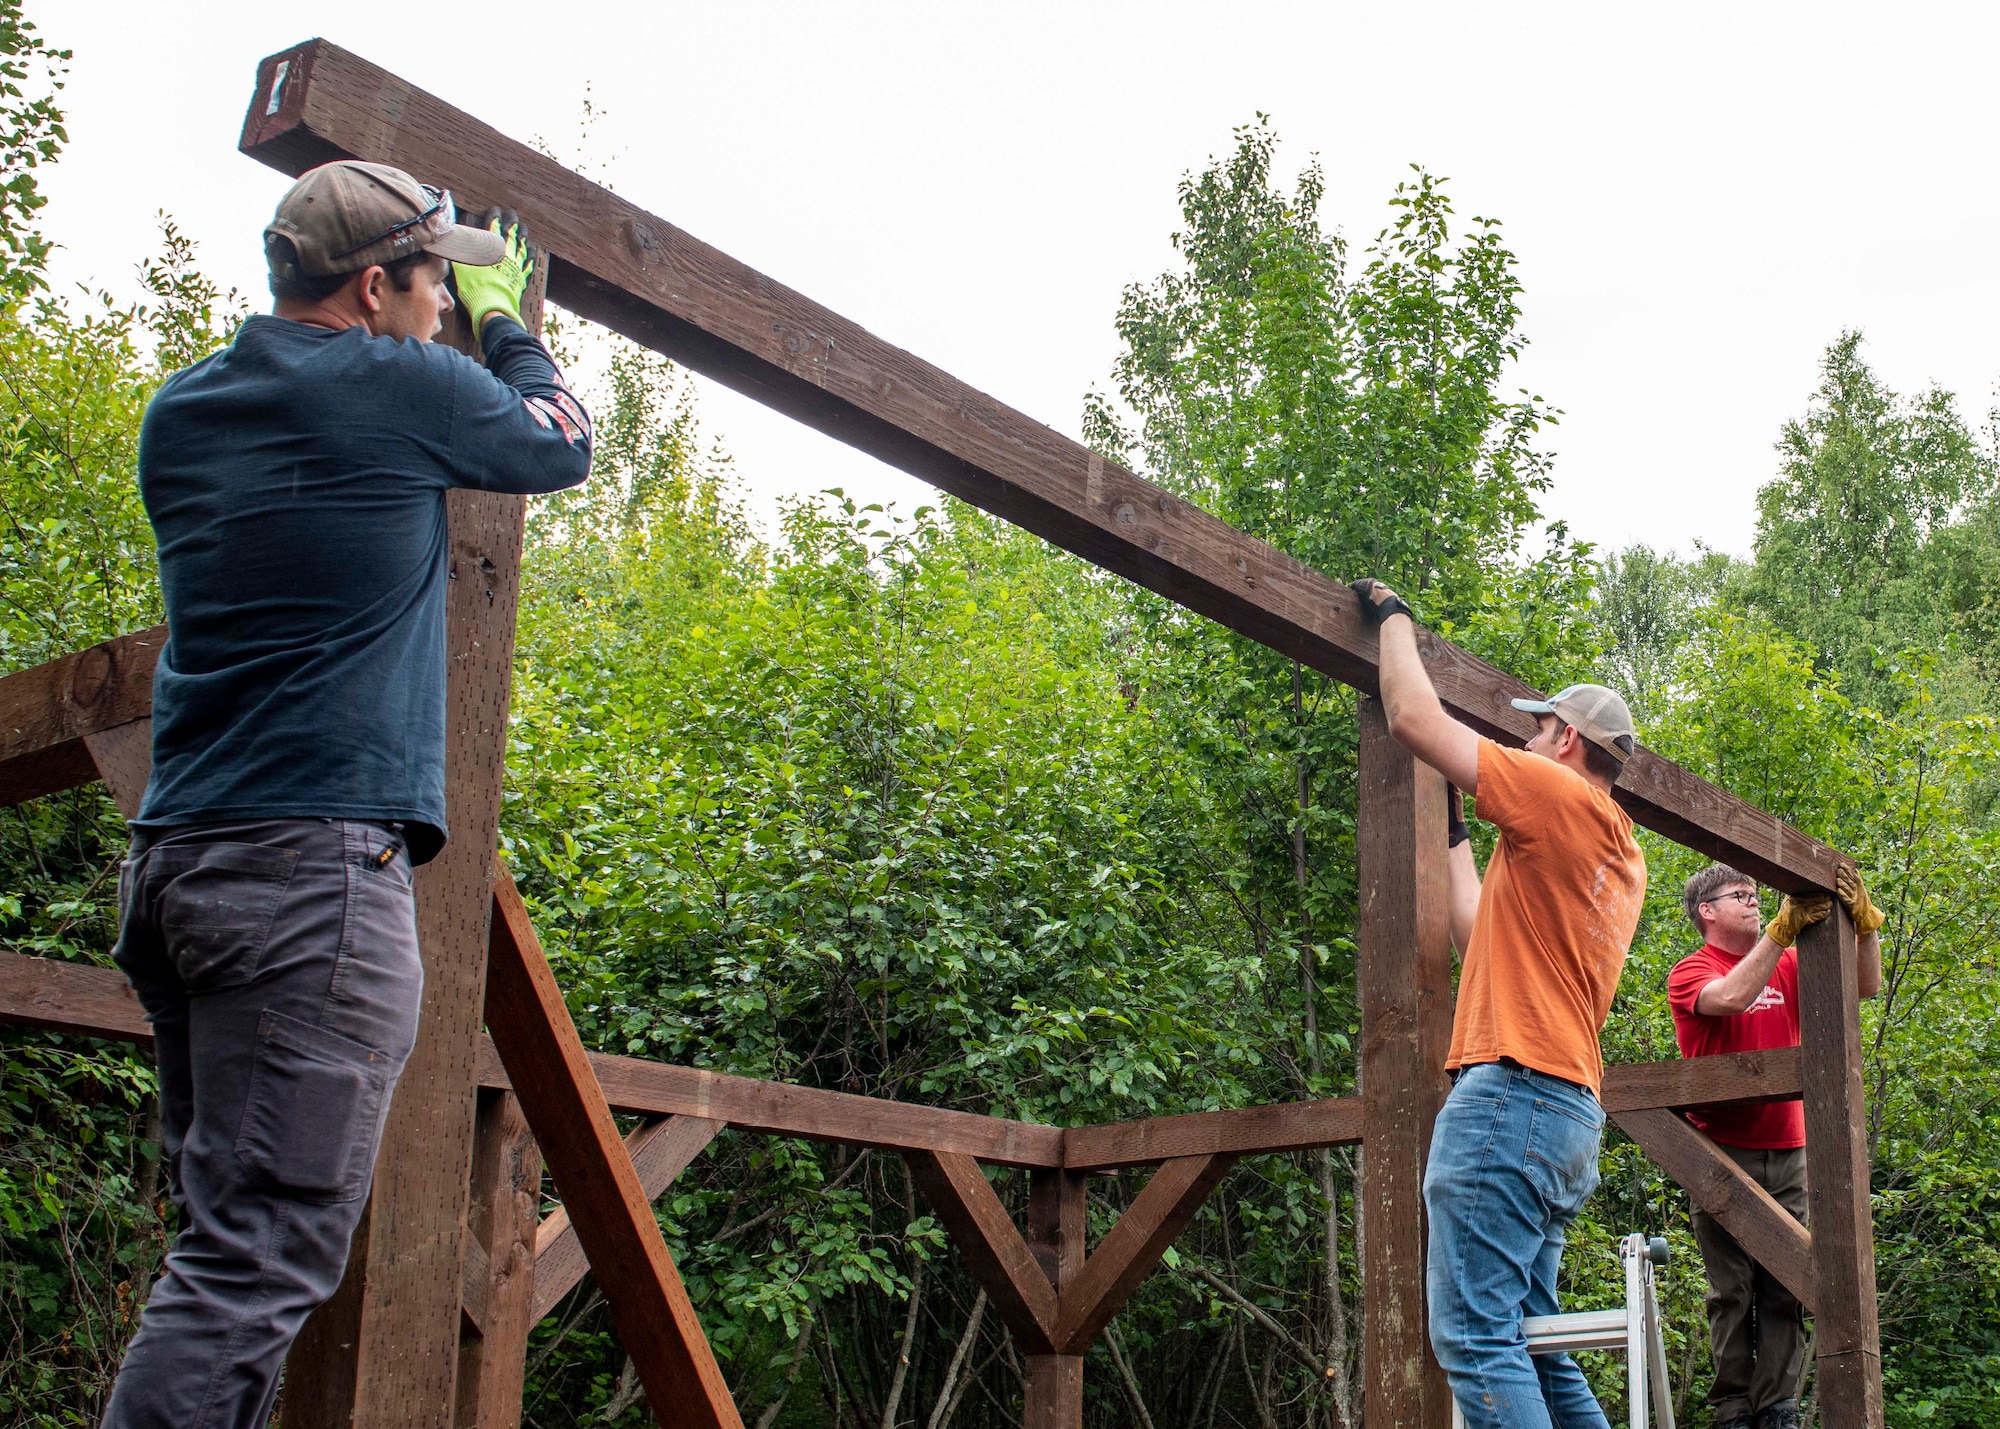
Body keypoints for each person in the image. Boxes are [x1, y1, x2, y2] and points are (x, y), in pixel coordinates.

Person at [103, 160, 593, 1428]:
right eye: (437, 279)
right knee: (251, 1264)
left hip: (181, 867)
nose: (444, 303)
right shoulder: (395, 383)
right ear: (375, 289)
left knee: (222, 1257)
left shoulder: (186, 410)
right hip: (307, 883)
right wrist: (507, 322)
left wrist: (459, 308)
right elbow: (561, 441)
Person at [1352, 577, 1646, 1429]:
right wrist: (1455, 833)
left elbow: (1412, 715)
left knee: (1476, 1338)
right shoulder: (1611, 849)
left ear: (1565, 740)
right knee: (1535, 1341)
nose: (1524, 736)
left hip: (1511, 1100)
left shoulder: (1556, 794)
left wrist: (1396, 616)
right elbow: (1477, 926)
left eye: (1536, 726)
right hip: (1563, 1111)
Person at [1669, 864, 1883, 1429]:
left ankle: (1777, 1407)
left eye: (1757, 895)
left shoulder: (1788, 964)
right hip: (1719, 1152)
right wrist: (1780, 933)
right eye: (1740, 895)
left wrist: (1867, 928)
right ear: (1705, 912)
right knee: (1732, 1291)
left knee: (1788, 1286)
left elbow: (1864, 987)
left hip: (1790, 1149)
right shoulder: (1691, 971)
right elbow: (1733, 998)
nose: (1755, 902)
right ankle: (1733, 1408)